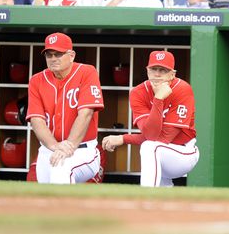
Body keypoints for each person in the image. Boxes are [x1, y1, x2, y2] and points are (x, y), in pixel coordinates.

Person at [102, 50, 199, 187]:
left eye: (163, 70)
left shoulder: (182, 89)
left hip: (183, 153)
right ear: (147, 71)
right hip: (160, 153)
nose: (157, 74)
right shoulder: (137, 93)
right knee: (152, 149)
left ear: (172, 74)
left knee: (149, 147)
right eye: (153, 69)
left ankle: (147, 196)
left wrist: (124, 138)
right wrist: (158, 99)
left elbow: (165, 137)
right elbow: (151, 134)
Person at [26, 32, 104, 184]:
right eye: (49, 55)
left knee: (61, 168)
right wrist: (55, 147)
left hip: (82, 150)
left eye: (59, 54)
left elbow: (86, 114)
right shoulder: (36, 80)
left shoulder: (87, 72)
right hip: (49, 149)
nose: (53, 59)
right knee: (45, 197)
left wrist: (68, 147)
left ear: (72, 55)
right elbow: (37, 120)